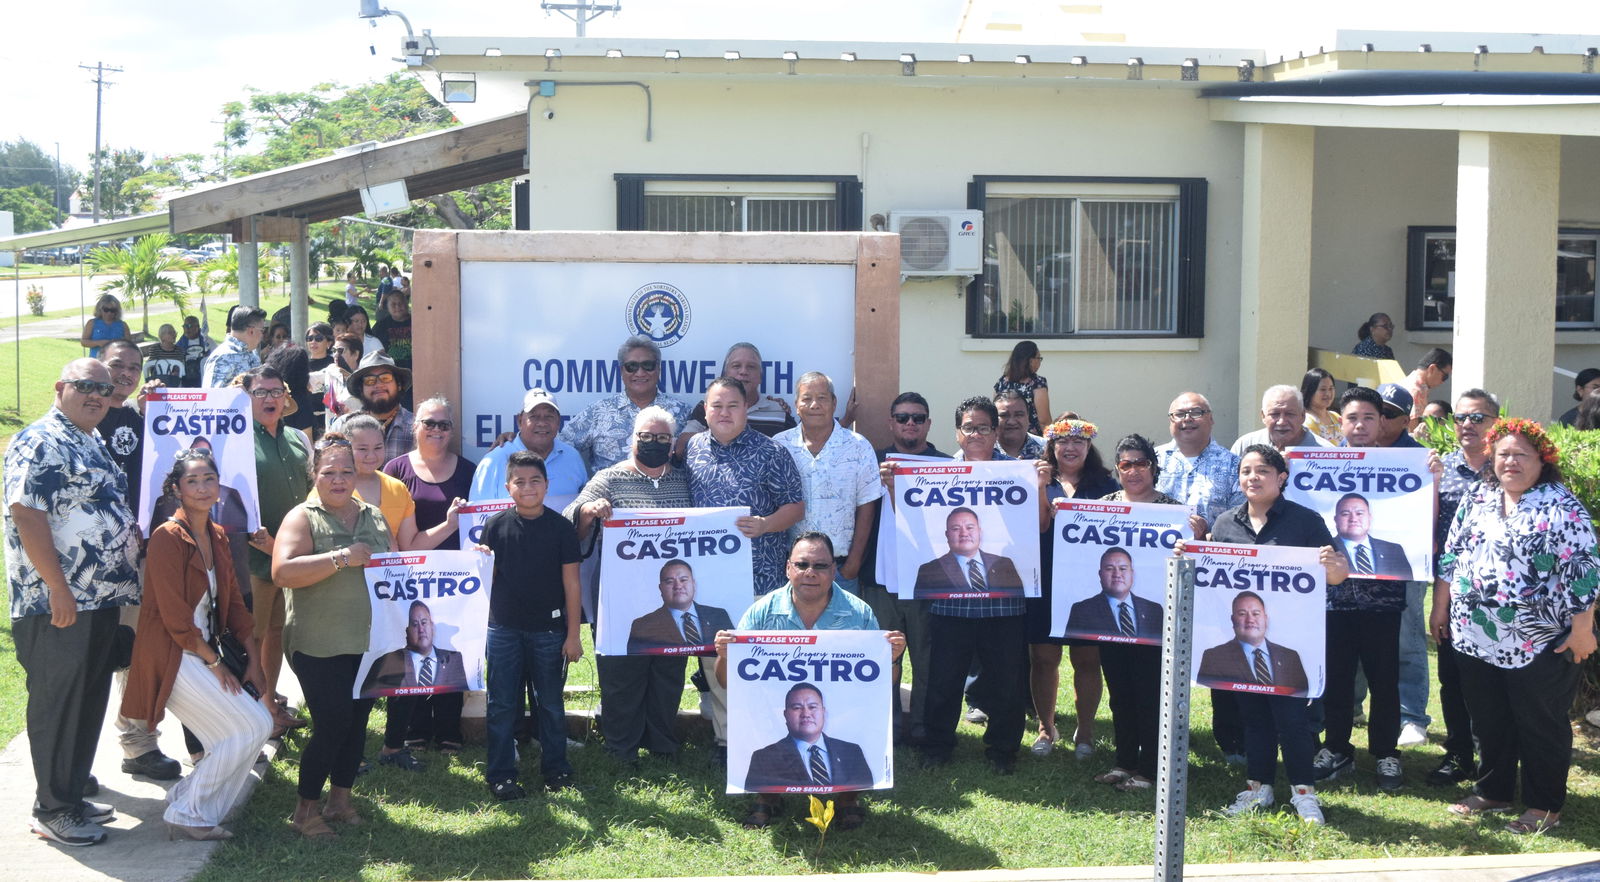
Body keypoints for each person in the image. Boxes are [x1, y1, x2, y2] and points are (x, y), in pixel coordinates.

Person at [1434, 418, 1598, 835]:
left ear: (1542, 460)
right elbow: (1453, 553)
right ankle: (1494, 790)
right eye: (1504, 453)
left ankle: (1545, 806)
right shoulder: (1480, 495)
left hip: (1540, 639)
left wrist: (1583, 630)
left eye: (1521, 454)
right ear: (1491, 457)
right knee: (1489, 718)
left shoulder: (1562, 507)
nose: (1511, 462)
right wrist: (1440, 606)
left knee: (1540, 721)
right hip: (1474, 634)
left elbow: (1584, 572)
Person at [5, 359, 141, 846]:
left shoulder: (89, 437)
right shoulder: (40, 439)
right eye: (85, 386)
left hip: (100, 598)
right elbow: (27, 513)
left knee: (88, 699)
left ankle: (72, 794)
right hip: (59, 602)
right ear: (61, 387)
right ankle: (53, 809)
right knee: (60, 703)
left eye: (104, 389)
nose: (97, 395)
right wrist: (58, 588)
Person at [121, 449, 274, 841]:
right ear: (176, 489)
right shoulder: (166, 537)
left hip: (204, 650)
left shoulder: (218, 534)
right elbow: (174, 618)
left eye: (209, 479)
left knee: (254, 728)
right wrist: (213, 663)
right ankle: (191, 813)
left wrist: (253, 660)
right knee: (249, 728)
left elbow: (235, 604)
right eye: (193, 481)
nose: (203, 487)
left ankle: (188, 798)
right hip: (175, 655)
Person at [713, 532, 906, 830]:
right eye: (802, 564)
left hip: (842, 709)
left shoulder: (859, 613)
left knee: (851, 721)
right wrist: (726, 656)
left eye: (820, 565)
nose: (810, 573)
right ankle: (768, 795)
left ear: (833, 570)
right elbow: (728, 683)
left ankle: (847, 799)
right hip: (776, 708)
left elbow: (885, 683)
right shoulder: (762, 612)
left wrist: (891, 658)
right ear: (788, 568)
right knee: (765, 718)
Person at [1207, 443, 1349, 826]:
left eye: (1262, 471)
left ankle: (1304, 793)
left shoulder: (1304, 521)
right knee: (1253, 717)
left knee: (1292, 720)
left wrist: (1331, 564)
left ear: (1281, 478)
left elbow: (1337, 574)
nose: (1252, 478)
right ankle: (1259, 788)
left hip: (1291, 641)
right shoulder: (1224, 524)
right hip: (1244, 641)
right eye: (1246, 471)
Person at [271, 433, 387, 838]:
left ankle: (340, 802)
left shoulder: (373, 514)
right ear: (314, 475)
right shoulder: (302, 517)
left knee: (357, 723)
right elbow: (283, 572)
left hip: (368, 642)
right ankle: (305, 810)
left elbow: (401, 566)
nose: (339, 480)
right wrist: (340, 558)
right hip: (318, 643)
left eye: (346, 472)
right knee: (333, 723)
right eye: (329, 472)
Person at [566, 406, 694, 764]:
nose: (653, 443)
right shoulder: (609, 477)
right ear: (632, 439)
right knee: (622, 669)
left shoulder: (683, 480)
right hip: (619, 593)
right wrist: (590, 512)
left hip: (671, 595)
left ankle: (662, 744)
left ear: (671, 443)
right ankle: (620, 746)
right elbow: (570, 517)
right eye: (646, 436)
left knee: (667, 670)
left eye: (661, 438)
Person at [916, 396, 1037, 775]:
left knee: (1006, 680)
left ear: (996, 431)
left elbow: (1040, 526)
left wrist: (1042, 487)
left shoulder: (1021, 473)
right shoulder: (937, 473)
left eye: (984, 427)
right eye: (969, 427)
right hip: (951, 601)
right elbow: (915, 525)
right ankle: (937, 746)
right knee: (944, 678)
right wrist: (894, 488)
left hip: (1003, 599)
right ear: (957, 432)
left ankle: (1003, 750)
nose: (976, 434)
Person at [685, 376, 805, 755]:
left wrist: (766, 524)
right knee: (717, 664)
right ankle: (725, 740)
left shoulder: (771, 452)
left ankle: (766, 738)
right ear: (705, 410)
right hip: (710, 581)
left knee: (762, 663)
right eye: (716, 406)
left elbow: (796, 506)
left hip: (762, 579)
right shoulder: (692, 451)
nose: (723, 413)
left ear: (746, 409)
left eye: (732, 406)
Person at [1311, 386, 1417, 792]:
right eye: (1352, 418)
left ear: (1382, 422)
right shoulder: (1322, 463)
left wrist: (1433, 477)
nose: (1360, 425)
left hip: (1384, 603)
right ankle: (1336, 747)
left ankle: (1386, 753)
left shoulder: (1407, 465)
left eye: (1369, 418)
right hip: (1334, 601)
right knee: (1337, 678)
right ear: (1342, 421)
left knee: (1384, 679)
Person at [477, 451, 584, 799]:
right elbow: (485, 582)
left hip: (549, 632)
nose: (527, 487)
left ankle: (557, 771)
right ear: (508, 487)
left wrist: (573, 635)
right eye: (519, 482)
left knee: (551, 705)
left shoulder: (561, 528)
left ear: (547, 485)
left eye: (535, 481)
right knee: (502, 704)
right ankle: (501, 775)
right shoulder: (494, 526)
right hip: (503, 630)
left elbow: (572, 584)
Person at [1031, 415, 1119, 758]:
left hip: (1087, 584)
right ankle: (1045, 727)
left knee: (1087, 659)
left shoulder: (1106, 485)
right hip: (1045, 580)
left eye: (1078, 442)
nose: (1070, 448)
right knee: (1042, 658)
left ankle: (1085, 730)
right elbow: (1037, 528)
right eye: (1063, 442)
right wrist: (1040, 491)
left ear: (1088, 446)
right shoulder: (1039, 480)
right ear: (1051, 447)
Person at [858, 392, 943, 744]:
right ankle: (884, 731)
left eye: (918, 418)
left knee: (926, 663)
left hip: (926, 582)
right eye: (903, 417)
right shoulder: (870, 462)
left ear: (928, 423)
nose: (911, 423)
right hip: (878, 580)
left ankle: (922, 730)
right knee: (880, 661)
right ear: (891, 422)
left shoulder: (944, 465)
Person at [1424, 388, 1497, 788]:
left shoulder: (1508, 467)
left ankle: (1493, 757)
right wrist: (1428, 483)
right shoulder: (1440, 467)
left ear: (1495, 424)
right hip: (1450, 588)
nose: (1467, 425)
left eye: (1477, 418)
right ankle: (1459, 755)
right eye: (1460, 418)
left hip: (1499, 597)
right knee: (1452, 679)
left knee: (1489, 680)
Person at [244, 366, 314, 732]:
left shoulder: (297, 440)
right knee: (251, 637)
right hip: (254, 559)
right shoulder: (237, 442)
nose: (269, 399)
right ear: (247, 398)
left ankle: (269, 706)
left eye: (276, 392)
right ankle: (249, 714)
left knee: (275, 633)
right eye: (260, 392)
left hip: (292, 559)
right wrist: (266, 544)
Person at [776, 371, 880, 594]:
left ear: (834, 403)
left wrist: (853, 565)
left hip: (840, 569)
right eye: (807, 398)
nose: (815, 405)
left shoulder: (858, 446)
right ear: (796, 405)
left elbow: (867, 507)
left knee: (840, 629)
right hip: (792, 569)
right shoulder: (779, 446)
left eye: (822, 398)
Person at [560, 336, 693, 473]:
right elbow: (560, 448)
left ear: (658, 369)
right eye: (632, 367)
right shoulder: (598, 412)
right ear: (621, 371)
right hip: (608, 493)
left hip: (666, 493)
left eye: (648, 365)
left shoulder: (682, 413)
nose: (640, 373)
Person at [744, 683, 874, 790]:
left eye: (812, 707)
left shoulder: (851, 751)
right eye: (796, 708)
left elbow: (865, 787)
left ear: (823, 712)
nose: (806, 714)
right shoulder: (763, 758)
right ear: (785, 714)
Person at [470, 388, 587, 502]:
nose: (542, 423)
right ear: (520, 421)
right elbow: (476, 516)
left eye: (549, 416)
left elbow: (584, 507)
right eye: (534, 416)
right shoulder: (494, 460)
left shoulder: (572, 457)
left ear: (558, 422)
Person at [1156, 391, 1244, 529]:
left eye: (1196, 412)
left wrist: (1206, 538)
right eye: (1179, 414)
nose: (1187, 419)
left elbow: (1239, 522)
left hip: (1210, 548)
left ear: (1211, 418)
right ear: (1170, 421)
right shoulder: (1152, 461)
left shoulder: (1235, 465)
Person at [1196, 593, 1310, 694]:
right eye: (1242, 614)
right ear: (1232, 619)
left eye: (1256, 613)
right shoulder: (1214, 657)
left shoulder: (1290, 657)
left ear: (1265, 619)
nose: (1250, 619)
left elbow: (1302, 694)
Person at [680, 343, 795, 442]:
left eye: (751, 367)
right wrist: (719, 433)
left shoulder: (779, 411)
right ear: (725, 374)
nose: (743, 371)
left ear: (760, 377)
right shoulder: (707, 407)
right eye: (736, 366)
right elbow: (681, 448)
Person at [911, 508, 1024, 599]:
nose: (964, 533)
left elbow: (1017, 602)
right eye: (955, 529)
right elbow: (922, 614)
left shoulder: (1003, 563)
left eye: (970, 527)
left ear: (979, 532)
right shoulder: (929, 570)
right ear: (947, 535)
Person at [360, 600, 469, 693]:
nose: (421, 629)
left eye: (424, 622)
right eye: (415, 624)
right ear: (407, 631)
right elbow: (366, 694)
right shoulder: (387, 662)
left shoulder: (454, 660)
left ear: (432, 626)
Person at [626, 560, 735, 652]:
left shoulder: (719, 615)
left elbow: (734, 652)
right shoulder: (643, 626)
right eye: (669, 581)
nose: (678, 586)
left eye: (683, 580)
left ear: (693, 584)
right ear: (661, 588)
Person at [1066, 548, 1162, 640]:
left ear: (1132, 573)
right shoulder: (1082, 611)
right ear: (1100, 574)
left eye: (1123, 568)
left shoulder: (1154, 610)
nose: (1117, 574)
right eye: (1109, 569)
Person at [341, 353, 414, 462]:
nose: (378, 384)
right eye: (369, 380)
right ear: (361, 389)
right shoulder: (343, 425)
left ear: (398, 385)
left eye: (385, 378)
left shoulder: (416, 428)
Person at [1332, 493, 1413, 580]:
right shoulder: (1325, 549)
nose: (1353, 519)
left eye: (1359, 513)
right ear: (1336, 519)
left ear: (1369, 518)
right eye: (1345, 514)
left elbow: (1410, 589)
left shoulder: (1394, 551)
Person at [1230, 384, 1330, 453]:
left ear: (1302, 416)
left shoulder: (1325, 452)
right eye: (1275, 414)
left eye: (1290, 414)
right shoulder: (1245, 445)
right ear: (1263, 416)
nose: (1282, 422)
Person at [993, 340, 1050, 435]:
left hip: (1005, 437)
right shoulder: (1037, 383)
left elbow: (995, 413)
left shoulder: (1001, 383)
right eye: (1038, 358)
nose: (1040, 361)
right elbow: (1044, 420)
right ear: (1030, 360)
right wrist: (1051, 442)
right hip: (1030, 440)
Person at [203, 305, 265, 388]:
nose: (262, 335)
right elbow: (212, 396)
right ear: (251, 331)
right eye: (262, 330)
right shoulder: (222, 357)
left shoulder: (252, 353)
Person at [1403, 348, 1453, 429]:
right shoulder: (1417, 390)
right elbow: (1413, 430)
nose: (1443, 381)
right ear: (1432, 368)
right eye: (1445, 376)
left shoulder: (1408, 381)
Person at [994, 390, 1045, 459]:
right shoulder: (982, 451)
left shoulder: (1047, 450)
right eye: (1004, 415)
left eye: (1018, 415)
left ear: (1028, 417)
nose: (1011, 422)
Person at [1300, 368, 1343, 446]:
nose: (1328, 393)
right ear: (1310, 391)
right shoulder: (1305, 420)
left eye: (1331, 388)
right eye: (1323, 389)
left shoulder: (1335, 417)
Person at [372, 290, 412, 372]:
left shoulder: (418, 323)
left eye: (401, 303)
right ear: (387, 307)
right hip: (390, 371)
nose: (397, 306)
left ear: (406, 303)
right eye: (393, 304)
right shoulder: (380, 326)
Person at [179, 314, 216, 388]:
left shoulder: (207, 341)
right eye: (184, 326)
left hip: (202, 376)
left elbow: (216, 357)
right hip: (186, 377)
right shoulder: (180, 343)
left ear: (197, 327)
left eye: (189, 326)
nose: (186, 329)